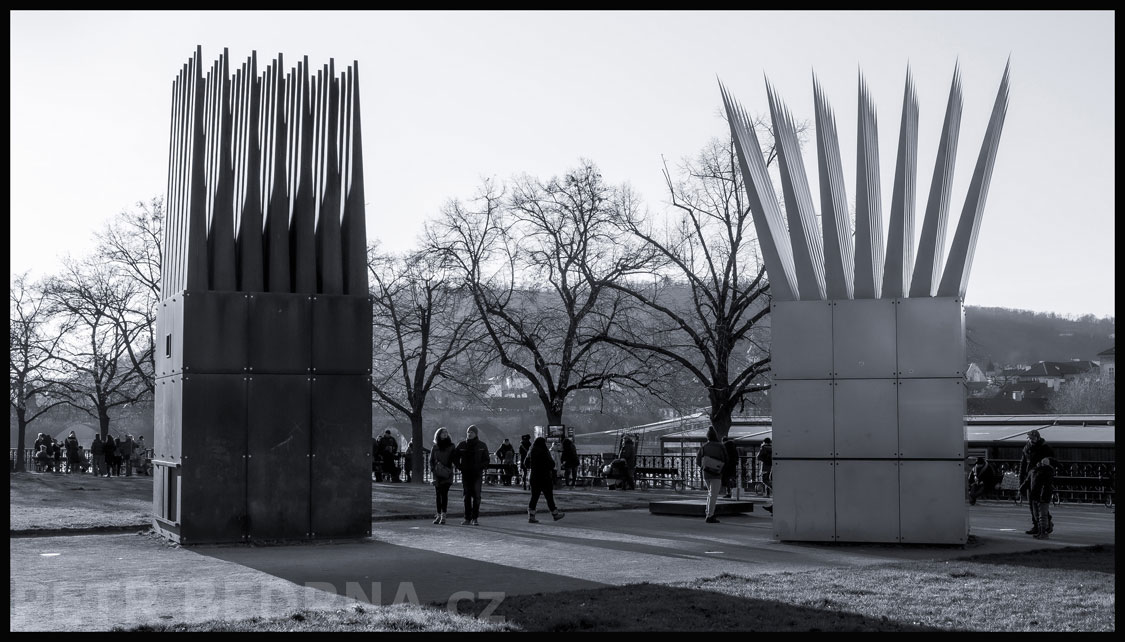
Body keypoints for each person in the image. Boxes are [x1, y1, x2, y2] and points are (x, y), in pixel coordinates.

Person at [1018, 429, 1055, 536]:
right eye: (1029, 438)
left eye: (1032, 438)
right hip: (1030, 477)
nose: (1030, 440)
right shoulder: (1026, 448)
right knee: (1032, 503)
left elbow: (1052, 462)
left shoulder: (1045, 448)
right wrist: (1021, 479)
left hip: (1041, 477)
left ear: (1037, 438)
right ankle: (1037, 525)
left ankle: (1045, 524)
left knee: (1040, 503)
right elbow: (1023, 464)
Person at [453, 425, 490, 525]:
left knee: (477, 496)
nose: (469, 434)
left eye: (472, 432)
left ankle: (475, 517)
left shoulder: (482, 445)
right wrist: (460, 467)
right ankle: (467, 518)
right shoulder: (462, 445)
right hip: (466, 474)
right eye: (468, 432)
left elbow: (486, 460)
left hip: (477, 474)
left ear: (476, 434)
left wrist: (480, 467)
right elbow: (455, 457)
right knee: (467, 496)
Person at [525, 437, 565, 523]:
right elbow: (551, 464)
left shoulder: (531, 451)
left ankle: (531, 516)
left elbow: (526, 463)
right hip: (544, 477)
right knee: (549, 497)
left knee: (534, 497)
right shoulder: (544, 451)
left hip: (533, 476)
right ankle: (555, 514)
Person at [697, 427, 728, 523]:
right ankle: (710, 515)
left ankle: (708, 513)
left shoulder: (703, 447)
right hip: (717, 473)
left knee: (710, 494)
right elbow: (726, 459)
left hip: (706, 473)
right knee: (713, 495)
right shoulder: (720, 446)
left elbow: (698, 461)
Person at [429, 427, 456, 525]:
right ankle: (438, 514)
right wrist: (433, 470)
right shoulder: (435, 447)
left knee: (444, 494)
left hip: (447, 473)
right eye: (443, 432)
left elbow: (454, 458)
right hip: (437, 473)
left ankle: (443, 515)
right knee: (437, 495)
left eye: (446, 432)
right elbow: (431, 460)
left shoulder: (451, 446)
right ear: (439, 435)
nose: (445, 434)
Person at [1028, 457, 1055, 539]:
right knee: (1039, 515)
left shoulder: (1042, 472)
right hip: (1038, 495)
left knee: (1041, 515)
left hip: (1040, 496)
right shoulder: (1040, 471)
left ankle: (1043, 532)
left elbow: (1043, 485)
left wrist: (1040, 495)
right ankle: (1041, 531)